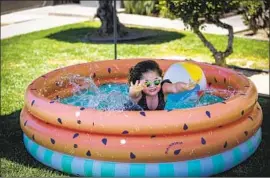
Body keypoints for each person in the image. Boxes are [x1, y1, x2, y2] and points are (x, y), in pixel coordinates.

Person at [127, 60, 198, 111]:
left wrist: (186, 86)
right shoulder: (138, 93)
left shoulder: (163, 88)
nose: (152, 86)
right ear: (139, 83)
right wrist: (133, 90)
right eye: (147, 83)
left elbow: (175, 87)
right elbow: (133, 95)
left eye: (156, 81)